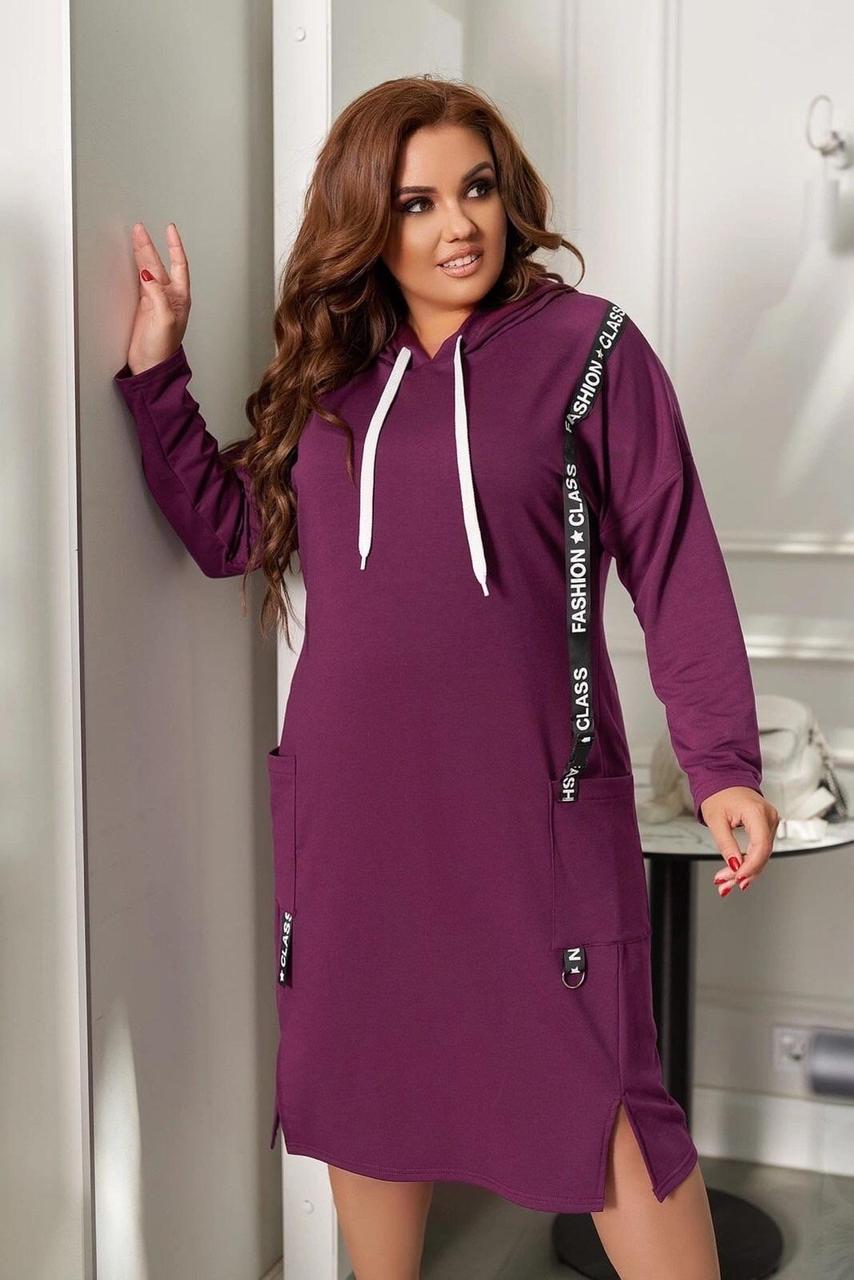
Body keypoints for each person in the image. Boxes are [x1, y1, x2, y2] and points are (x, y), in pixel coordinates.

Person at [114, 75, 778, 1280]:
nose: (457, 225)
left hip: (535, 804)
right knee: (365, 1082)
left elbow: (670, 553)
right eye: (416, 202)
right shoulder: (332, 380)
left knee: (604, 1096)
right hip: (356, 811)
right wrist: (157, 372)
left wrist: (720, 761)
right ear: (368, 220)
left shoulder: (589, 351)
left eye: (474, 188)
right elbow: (226, 532)